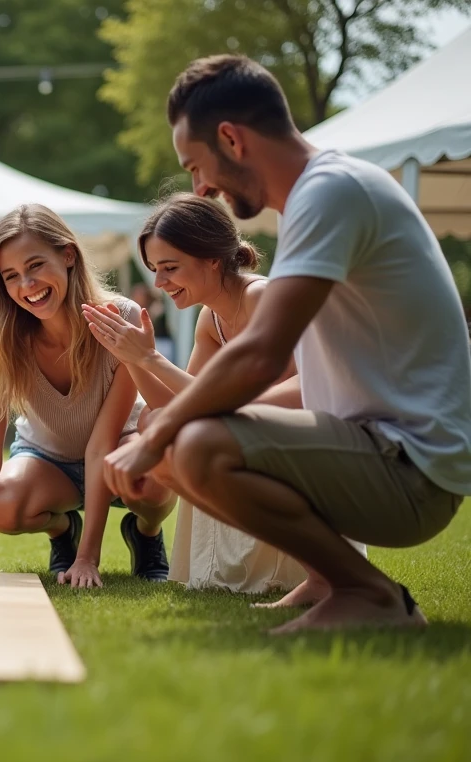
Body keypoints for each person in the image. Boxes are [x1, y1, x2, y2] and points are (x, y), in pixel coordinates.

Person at [104, 54, 471, 632]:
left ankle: (369, 594)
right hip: (379, 453)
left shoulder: (330, 192)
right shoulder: (320, 195)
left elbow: (260, 356)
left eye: (197, 166)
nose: (201, 188)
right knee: (179, 440)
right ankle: (326, 580)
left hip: (411, 469)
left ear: (232, 139)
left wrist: (157, 435)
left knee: (193, 444)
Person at [0, 204, 176, 587]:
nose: (27, 284)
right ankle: (63, 528)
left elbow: (101, 445)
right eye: (11, 276)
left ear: (68, 255)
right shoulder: (2, 340)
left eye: (35, 265)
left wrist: (88, 559)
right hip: (49, 462)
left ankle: (145, 532)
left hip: (117, 451)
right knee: (3, 505)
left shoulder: (120, 318)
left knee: (157, 477)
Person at [84, 193, 309, 594]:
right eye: (155, 270)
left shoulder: (260, 297)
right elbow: (175, 407)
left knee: (174, 429)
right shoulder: (212, 318)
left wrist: (150, 358)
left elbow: (281, 394)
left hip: (300, 438)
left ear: (212, 259)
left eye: (170, 268)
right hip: (250, 431)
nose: (159, 283)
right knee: (156, 422)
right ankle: (221, 566)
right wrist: (129, 358)